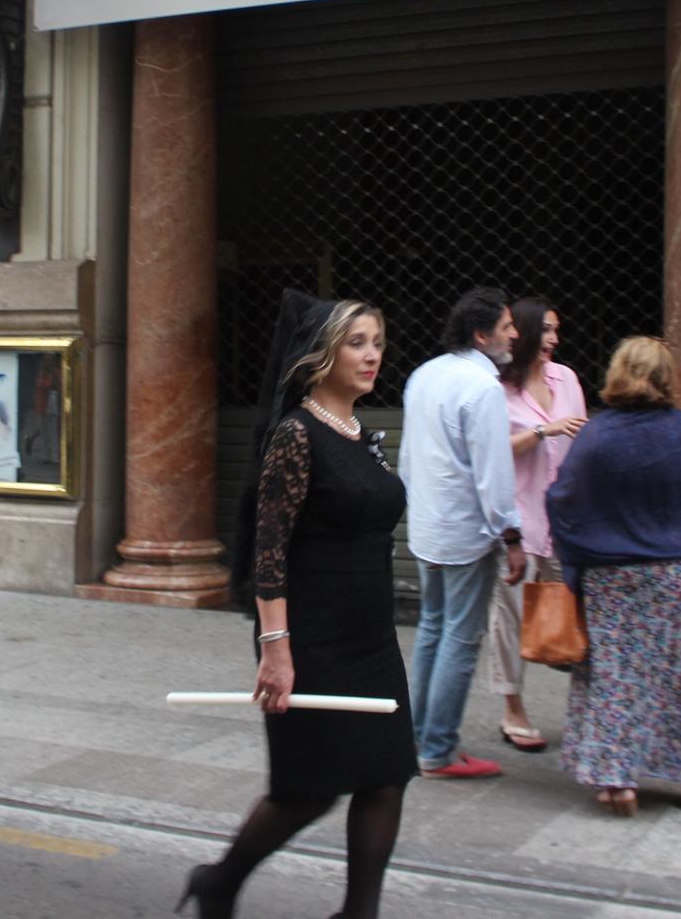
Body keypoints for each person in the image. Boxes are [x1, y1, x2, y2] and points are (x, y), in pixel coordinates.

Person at [193, 293, 412, 919]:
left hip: (371, 637)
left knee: (385, 776)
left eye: (376, 341)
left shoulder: (361, 435)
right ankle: (220, 881)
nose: (372, 355)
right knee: (306, 792)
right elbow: (269, 551)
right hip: (309, 639)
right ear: (322, 355)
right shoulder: (296, 434)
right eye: (357, 342)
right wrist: (277, 651)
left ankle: (356, 914)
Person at [549, 336, 681, 815]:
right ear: (666, 378)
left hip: (614, 576)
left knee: (616, 677)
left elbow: (562, 500)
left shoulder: (597, 434)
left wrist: (579, 554)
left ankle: (618, 782)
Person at [398, 286, 522, 781]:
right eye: (507, 326)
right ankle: (438, 748)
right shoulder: (483, 388)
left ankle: (418, 736)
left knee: (432, 629)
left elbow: (409, 457)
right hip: (466, 531)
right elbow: (493, 473)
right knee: (460, 638)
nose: (514, 334)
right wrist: (510, 536)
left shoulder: (424, 375)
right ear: (482, 334)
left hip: (429, 525)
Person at [487, 297, 587, 753]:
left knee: (572, 617)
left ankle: (588, 714)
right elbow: (489, 454)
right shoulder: (496, 388)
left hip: (565, 521)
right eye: (545, 331)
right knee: (509, 617)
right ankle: (513, 709)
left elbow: (582, 440)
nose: (553, 340)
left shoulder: (565, 378)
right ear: (523, 334)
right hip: (518, 520)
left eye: (556, 331)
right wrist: (544, 432)